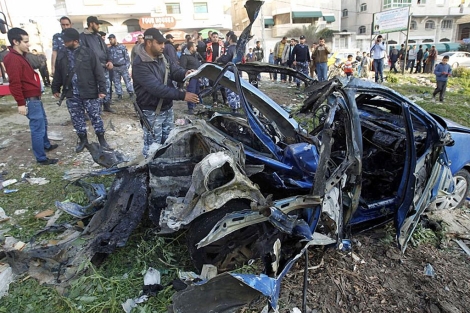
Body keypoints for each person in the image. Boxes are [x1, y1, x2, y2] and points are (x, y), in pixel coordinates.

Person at [132, 28, 199, 157]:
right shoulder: (139, 64)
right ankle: (150, 173)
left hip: (167, 109)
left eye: (164, 43)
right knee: (152, 149)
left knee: (168, 144)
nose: (163, 46)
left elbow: (174, 71)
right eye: (160, 43)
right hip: (152, 112)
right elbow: (156, 88)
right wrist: (183, 95)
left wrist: (185, 73)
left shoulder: (163, 57)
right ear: (149, 42)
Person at [3, 28, 58, 165]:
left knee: (43, 123)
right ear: (16, 41)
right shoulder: (12, 58)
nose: (28, 45)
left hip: (35, 98)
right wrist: (20, 103)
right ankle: (41, 158)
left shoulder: (21, 56)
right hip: (29, 100)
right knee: (37, 128)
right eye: (26, 42)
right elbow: (14, 83)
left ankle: (46, 145)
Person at [52, 28, 110, 153]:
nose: (64, 43)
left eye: (67, 41)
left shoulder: (88, 52)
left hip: (89, 91)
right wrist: (55, 88)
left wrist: (102, 89)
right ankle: (83, 140)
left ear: (75, 41)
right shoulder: (62, 53)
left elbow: (98, 71)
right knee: (77, 119)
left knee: (95, 117)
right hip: (71, 93)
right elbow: (58, 72)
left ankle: (102, 140)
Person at [79, 16, 114, 113]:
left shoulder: (98, 36)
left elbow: (106, 50)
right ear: (91, 24)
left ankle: (107, 106)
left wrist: (110, 60)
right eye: (97, 24)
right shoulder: (82, 37)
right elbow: (83, 54)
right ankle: (96, 110)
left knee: (106, 86)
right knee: (95, 89)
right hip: (92, 68)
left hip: (104, 66)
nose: (98, 26)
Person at [217, 33, 240, 113]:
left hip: (230, 72)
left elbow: (225, 59)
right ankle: (238, 105)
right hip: (238, 71)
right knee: (238, 88)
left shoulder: (229, 48)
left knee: (230, 89)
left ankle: (234, 108)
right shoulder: (239, 48)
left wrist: (218, 59)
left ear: (230, 39)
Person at [107, 34, 134, 100]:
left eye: (111, 39)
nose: (110, 41)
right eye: (109, 40)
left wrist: (127, 66)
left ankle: (131, 93)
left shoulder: (122, 47)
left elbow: (127, 57)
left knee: (127, 81)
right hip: (115, 68)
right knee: (116, 82)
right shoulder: (109, 49)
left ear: (115, 38)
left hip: (123, 67)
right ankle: (119, 95)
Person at [179, 41, 202, 115]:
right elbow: (182, 68)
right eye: (195, 46)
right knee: (191, 92)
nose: (196, 47)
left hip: (197, 77)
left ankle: (195, 105)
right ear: (191, 48)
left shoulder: (195, 55)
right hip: (191, 78)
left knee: (196, 91)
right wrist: (188, 73)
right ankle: (190, 108)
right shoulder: (184, 56)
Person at [205, 32, 226, 105]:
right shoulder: (208, 45)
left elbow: (225, 55)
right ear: (211, 37)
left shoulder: (222, 45)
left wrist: (219, 59)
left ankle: (225, 100)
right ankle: (215, 100)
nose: (215, 38)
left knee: (222, 83)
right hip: (212, 66)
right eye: (214, 37)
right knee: (213, 84)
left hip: (221, 66)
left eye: (216, 37)